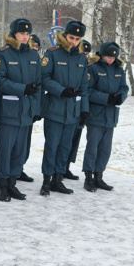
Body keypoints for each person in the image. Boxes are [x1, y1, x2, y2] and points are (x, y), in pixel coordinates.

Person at [0, 18, 40, 202]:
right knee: (5, 151)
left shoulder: (34, 55)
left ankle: (12, 184)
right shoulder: (2, 54)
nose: (25, 37)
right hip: (9, 111)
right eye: (21, 33)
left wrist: (36, 109)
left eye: (27, 34)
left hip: (26, 111)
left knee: (20, 151)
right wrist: (22, 89)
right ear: (13, 34)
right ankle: (2, 187)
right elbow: (0, 81)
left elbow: (38, 83)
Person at [39, 20, 89, 196]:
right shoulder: (52, 54)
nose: (73, 41)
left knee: (65, 147)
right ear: (64, 36)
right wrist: (61, 91)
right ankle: (46, 181)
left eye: (77, 38)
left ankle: (57, 180)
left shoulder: (82, 58)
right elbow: (44, 78)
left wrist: (84, 109)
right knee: (52, 146)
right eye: (71, 37)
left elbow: (84, 86)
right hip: (55, 109)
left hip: (72, 112)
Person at [82, 41, 128, 192]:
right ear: (101, 55)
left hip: (111, 116)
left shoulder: (119, 69)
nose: (111, 60)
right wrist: (107, 98)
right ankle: (88, 178)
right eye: (108, 56)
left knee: (105, 149)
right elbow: (88, 90)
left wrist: (121, 96)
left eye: (113, 57)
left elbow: (124, 87)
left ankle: (98, 176)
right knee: (92, 148)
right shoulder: (93, 69)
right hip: (96, 115)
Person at [63, 38, 94, 181]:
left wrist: (84, 110)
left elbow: (86, 91)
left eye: (87, 53)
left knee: (75, 141)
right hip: (68, 108)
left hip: (80, 109)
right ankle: (60, 167)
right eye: (84, 52)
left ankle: (67, 166)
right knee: (65, 141)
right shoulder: (76, 64)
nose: (85, 55)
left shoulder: (90, 67)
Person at [17, 33, 44, 183]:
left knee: (25, 143)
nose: (34, 48)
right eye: (32, 45)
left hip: (29, 108)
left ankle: (20, 167)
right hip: (15, 107)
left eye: (36, 46)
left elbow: (39, 86)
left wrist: (37, 110)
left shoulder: (35, 60)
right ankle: (13, 172)